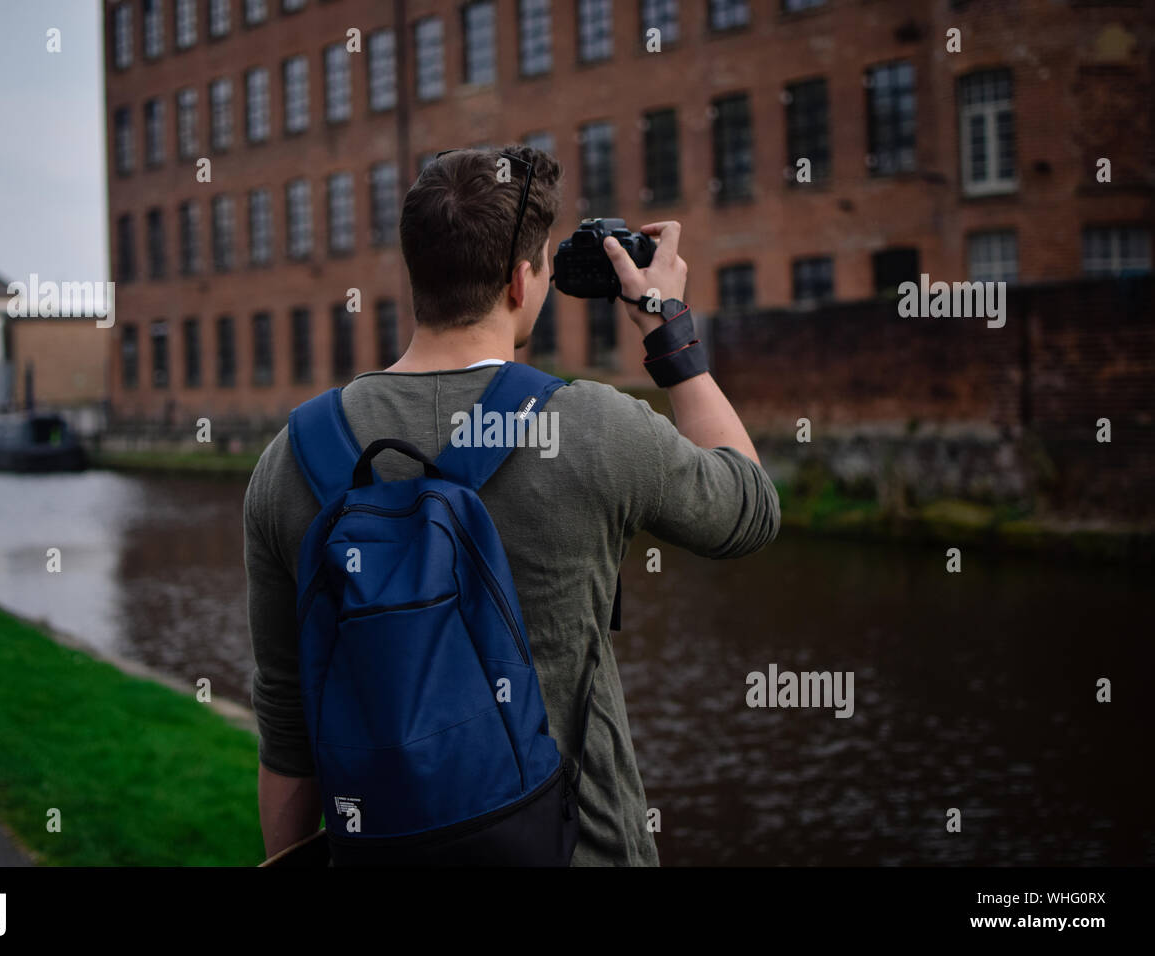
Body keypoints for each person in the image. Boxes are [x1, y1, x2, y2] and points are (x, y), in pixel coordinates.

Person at [244, 145, 780, 866]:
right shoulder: (594, 427)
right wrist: (666, 325)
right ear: (521, 282)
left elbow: (287, 727)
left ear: (414, 275)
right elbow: (749, 508)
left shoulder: (290, 459)